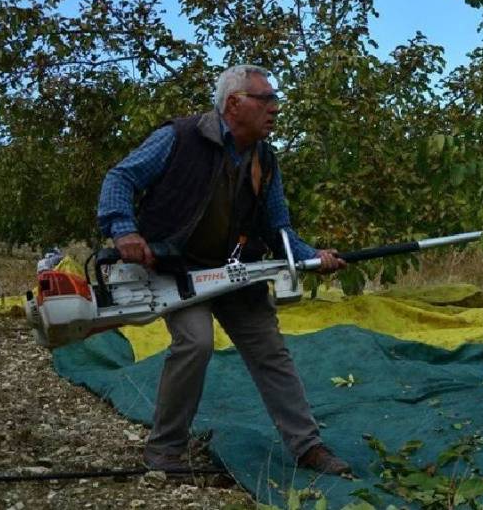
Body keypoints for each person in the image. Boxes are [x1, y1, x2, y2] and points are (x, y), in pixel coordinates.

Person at [97, 64, 352, 476]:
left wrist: (311, 256)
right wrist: (123, 229)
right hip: (177, 271)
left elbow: (278, 227)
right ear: (234, 103)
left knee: (270, 350)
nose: (275, 108)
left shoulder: (264, 160)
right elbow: (120, 178)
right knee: (195, 343)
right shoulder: (179, 138)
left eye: (274, 99)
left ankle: (309, 448)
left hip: (235, 273)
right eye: (265, 99)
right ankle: (164, 451)